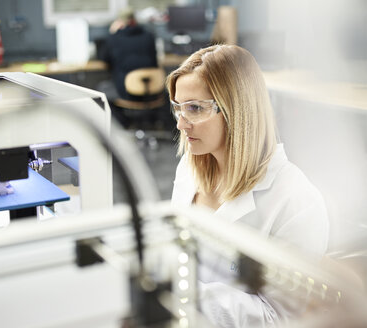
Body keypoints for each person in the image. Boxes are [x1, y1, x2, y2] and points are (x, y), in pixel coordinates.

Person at [166, 44, 329, 327]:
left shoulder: (295, 200)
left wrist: (186, 297)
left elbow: (278, 317)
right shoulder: (190, 169)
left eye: (194, 108)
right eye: (178, 108)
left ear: (236, 110)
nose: (181, 124)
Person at [98, 7, 158, 102]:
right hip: (151, 90)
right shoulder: (149, 36)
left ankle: (123, 117)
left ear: (120, 22)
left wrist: (112, 33)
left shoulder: (114, 38)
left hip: (126, 92)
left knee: (102, 89)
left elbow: (103, 59)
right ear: (135, 20)